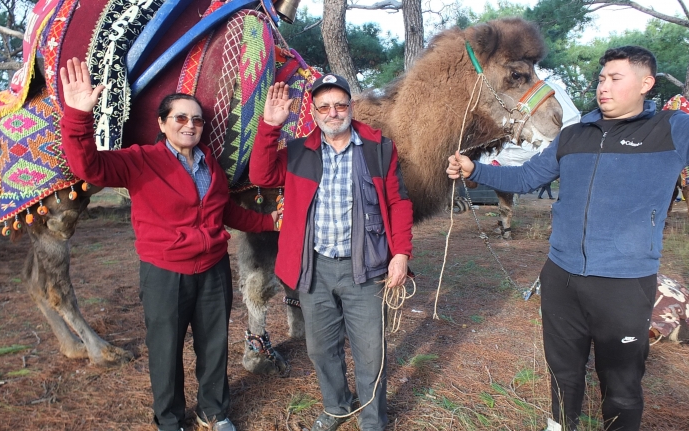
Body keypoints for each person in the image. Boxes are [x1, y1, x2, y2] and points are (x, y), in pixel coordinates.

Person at [446, 46, 689, 431]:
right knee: (563, 370)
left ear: (646, 84)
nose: (603, 87)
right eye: (601, 78)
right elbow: (526, 178)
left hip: (624, 282)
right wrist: (476, 170)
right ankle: (560, 424)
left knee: (622, 385)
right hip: (561, 275)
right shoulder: (573, 135)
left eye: (615, 79)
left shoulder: (672, 129)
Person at [60, 57, 280, 431]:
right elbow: (89, 168)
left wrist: (269, 221)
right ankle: (170, 421)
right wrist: (78, 116)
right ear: (162, 124)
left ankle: (215, 412)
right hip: (165, 272)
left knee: (214, 346)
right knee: (166, 351)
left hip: (212, 270)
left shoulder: (210, 164)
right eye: (180, 118)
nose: (190, 125)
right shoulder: (140, 161)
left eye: (196, 119)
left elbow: (224, 211)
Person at [249, 74, 414, 431]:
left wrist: (400, 253)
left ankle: (372, 418)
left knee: (371, 352)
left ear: (351, 107)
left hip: (366, 269)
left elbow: (398, 202)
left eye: (340, 104)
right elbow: (261, 174)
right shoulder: (298, 152)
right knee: (321, 349)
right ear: (314, 112)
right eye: (324, 107)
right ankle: (337, 406)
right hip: (315, 269)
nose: (333, 112)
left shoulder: (378, 148)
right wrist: (269, 127)